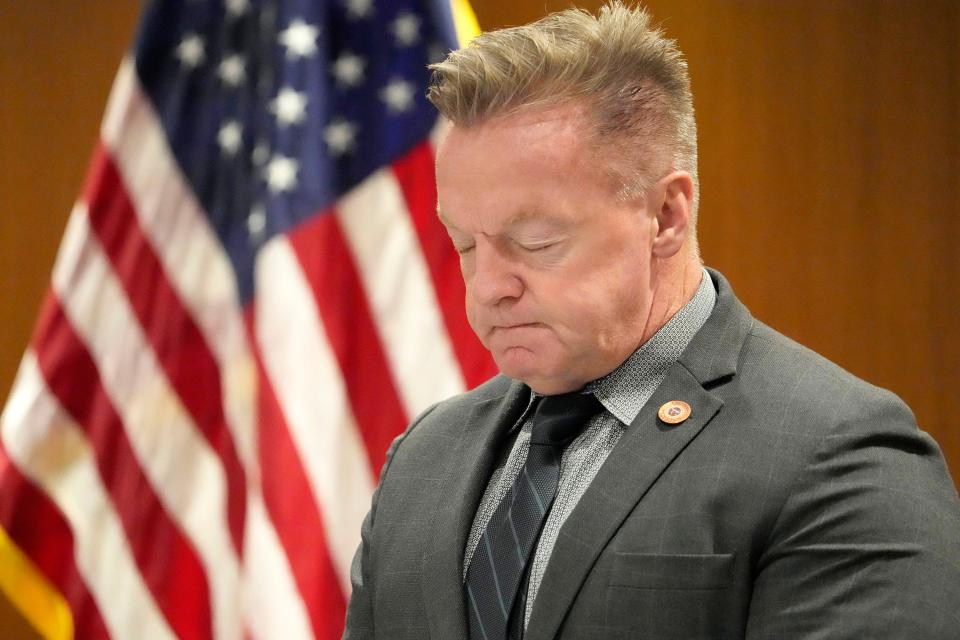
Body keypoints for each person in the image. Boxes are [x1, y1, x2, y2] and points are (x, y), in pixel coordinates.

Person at [343, 3, 960, 638]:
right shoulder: (425, 457)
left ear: (666, 215)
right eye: (466, 245)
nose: (489, 287)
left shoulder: (839, 456)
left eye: (536, 241)